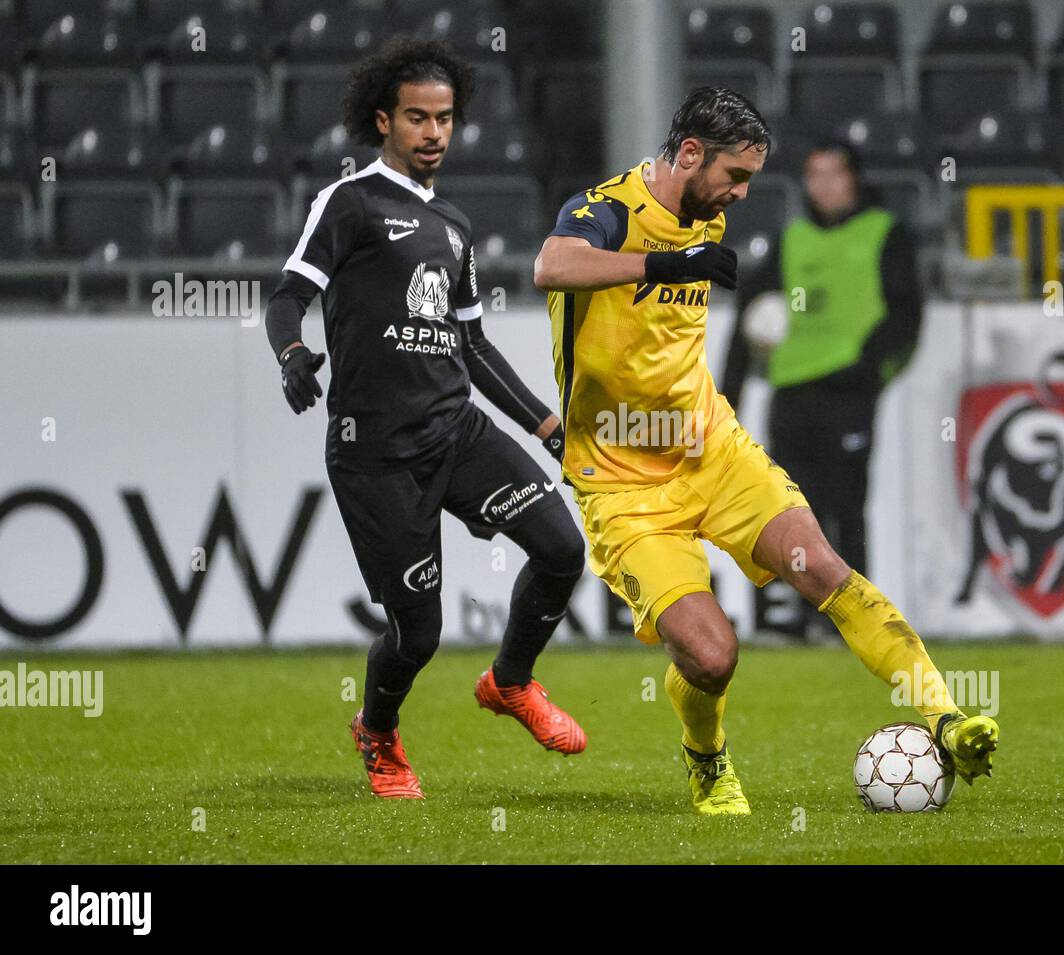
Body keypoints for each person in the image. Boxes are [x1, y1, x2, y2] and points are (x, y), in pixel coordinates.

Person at [533, 87, 997, 815]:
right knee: (712, 655)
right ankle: (707, 758)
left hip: (711, 450)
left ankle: (946, 716)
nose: (741, 196)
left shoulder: (708, 213)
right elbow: (552, 266)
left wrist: (686, 260)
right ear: (689, 153)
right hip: (623, 481)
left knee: (828, 571)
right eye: (734, 176)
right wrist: (661, 266)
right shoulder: (606, 209)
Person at [264, 37, 588, 800]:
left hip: (456, 430)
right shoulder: (350, 202)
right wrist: (291, 353)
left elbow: (471, 343)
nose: (434, 132)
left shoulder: (454, 224)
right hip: (374, 451)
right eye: (417, 118)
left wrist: (547, 426)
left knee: (562, 548)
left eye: (445, 118)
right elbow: (286, 296)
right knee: (419, 633)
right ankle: (378, 731)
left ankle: (511, 681)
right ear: (383, 121)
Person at [720, 140, 923, 637]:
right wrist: (728, 400)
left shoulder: (883, 234)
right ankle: (796, 621)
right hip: (791, 395)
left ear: (854, 178)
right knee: (788, 514)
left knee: (846, 508)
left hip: (847, 395)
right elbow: (750, 318)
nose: (825, 185)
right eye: (815, 175)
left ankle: (854, 623)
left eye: (834, 173)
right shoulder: (791, 241)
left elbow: (906, 314)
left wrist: (869, 370)